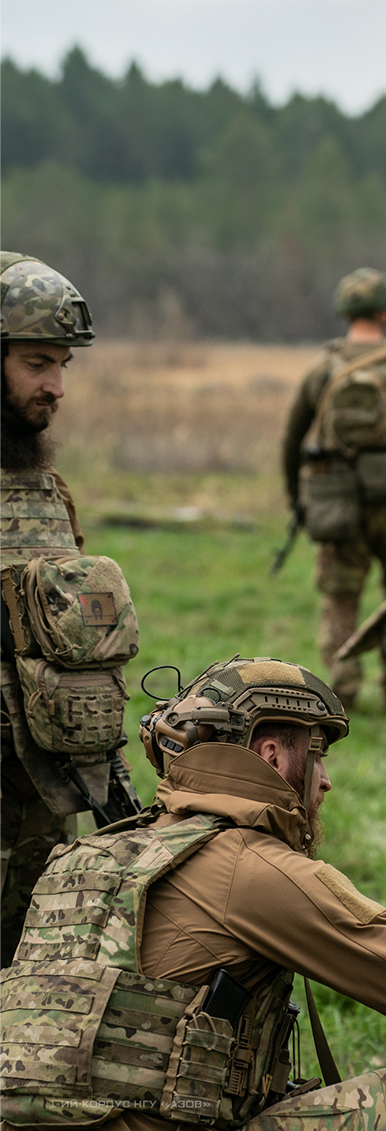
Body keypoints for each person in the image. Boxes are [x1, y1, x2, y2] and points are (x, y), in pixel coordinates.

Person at [0, 656, 386, 1131]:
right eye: (317, 755)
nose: (325, 782)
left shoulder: (85, 856)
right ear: (272, 756)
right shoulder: (250, 867)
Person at [0, 251, 140, 969]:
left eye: (62, 365)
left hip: (40, 795)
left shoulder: (42, 487)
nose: (55, 386)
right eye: (35, 363)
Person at [281, 268, 386, 712]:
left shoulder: (321, 370)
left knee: (339, 600)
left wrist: (298, 497)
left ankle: (340, 691)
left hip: (335, 504)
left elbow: (292, 440)